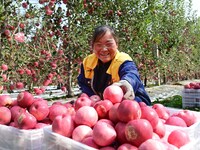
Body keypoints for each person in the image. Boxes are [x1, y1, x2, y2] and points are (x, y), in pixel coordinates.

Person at [77, 25, 151, 105]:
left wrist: (126, 83)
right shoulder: (88, 62)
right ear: (93, 47)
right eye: (99, 45)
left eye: (109, 44)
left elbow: (131, 74)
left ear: (116, 44)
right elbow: (83, 84)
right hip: (105, 107)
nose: (104, 49)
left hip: (132, 104)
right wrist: (92, 98)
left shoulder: (123, 60)